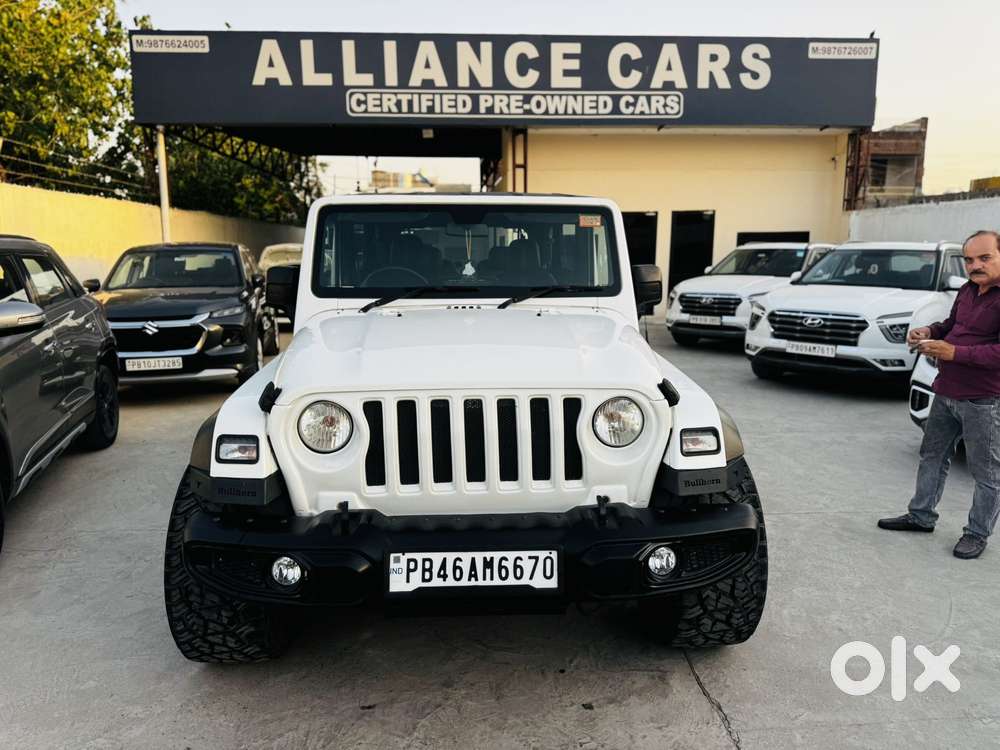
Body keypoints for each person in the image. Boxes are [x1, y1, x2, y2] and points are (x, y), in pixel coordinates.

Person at [879, 230, 1000, 559]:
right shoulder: (967, 290)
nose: (975, 265)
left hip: (984, 401)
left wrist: (953, 353)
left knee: (987, 474)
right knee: (932, 457)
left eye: (984, 257)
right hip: (946, 393)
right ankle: (920, 516)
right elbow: (950, 325)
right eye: (969, 259)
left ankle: (977, 534)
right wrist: (929, 332)